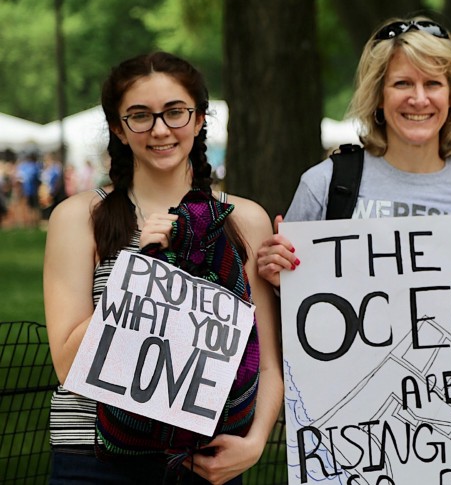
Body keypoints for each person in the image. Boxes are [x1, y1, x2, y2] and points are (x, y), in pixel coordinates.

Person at [43, 52, 283, 484]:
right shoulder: (79, 217)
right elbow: (66, 363)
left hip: (206, 456)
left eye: (175, 113)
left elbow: (265, 361)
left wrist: (254, 443)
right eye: (140, 116)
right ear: (118, 127)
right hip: (93, 458)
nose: (159, 129)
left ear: (199, 119)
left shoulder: (244, 219)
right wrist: (144, 271)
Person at [256, 17, 451, 305]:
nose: (419, 99)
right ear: (379, 98)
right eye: (402, 83)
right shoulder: (325, 185)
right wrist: (278, 277)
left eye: (433, 83)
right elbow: (290, 312)